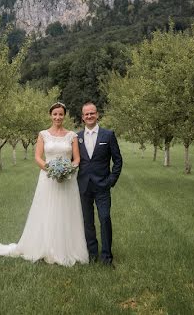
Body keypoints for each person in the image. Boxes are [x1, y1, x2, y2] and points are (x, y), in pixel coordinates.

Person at [0, 102, 89, 266]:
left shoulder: (72, 136)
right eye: (55, 114)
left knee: (66, 211)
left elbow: (77, 158)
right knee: (46, 211)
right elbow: (38, 157)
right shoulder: (43, 134)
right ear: (50, 115)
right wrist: (51, 171)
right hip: (47, 179)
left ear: (65, 116)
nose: (57, 117)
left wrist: (69, 170)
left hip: (67, 180)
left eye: (60, 114)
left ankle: (67, 248)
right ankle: (45, 247)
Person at [76, 101, 123, 267]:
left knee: (104, 218)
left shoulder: (108, 135)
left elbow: (118, 161)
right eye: (86, 114)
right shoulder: (77, 137)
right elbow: (73, 161)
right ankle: (92, 254)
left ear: (97, 115)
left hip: (103, 186)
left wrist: (111, 180)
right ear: (82, 117)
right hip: (84, 186)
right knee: (87, 222)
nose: (89, 116)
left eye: (92, 113)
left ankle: (106, 257)